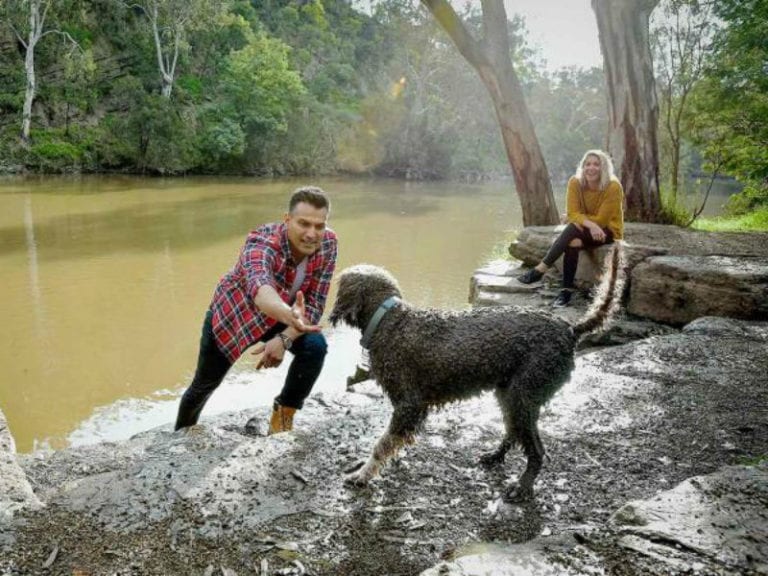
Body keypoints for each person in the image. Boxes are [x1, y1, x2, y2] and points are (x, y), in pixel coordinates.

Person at [174, 186, 338, 434]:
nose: (311, 234)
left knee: (315, 347)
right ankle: (180, 434)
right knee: (203, 386)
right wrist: (290, 316)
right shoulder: (261, 242)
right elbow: (262, 291)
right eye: (303, 224)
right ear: (287, 220)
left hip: (286, 318)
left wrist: (284, 339)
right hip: (235, 317)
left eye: (319, 226)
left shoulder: (328, 244)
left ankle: (283, 417)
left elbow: (315, 302)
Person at [517, 150, 624, 307]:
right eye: (587, 164)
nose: (591, 168)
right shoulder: (575, 182)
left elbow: (601, 220)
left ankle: (540, 269)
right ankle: (565, 292)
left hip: (607, 231)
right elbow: (574, 213)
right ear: (582, 166)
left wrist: (577, 219)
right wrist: (586, 222)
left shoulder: (613, 187)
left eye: (596, 164)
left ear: (604, 168)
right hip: (585, 229)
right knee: (573, 241)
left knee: (573, 226)